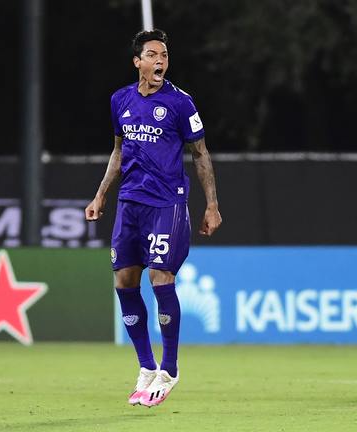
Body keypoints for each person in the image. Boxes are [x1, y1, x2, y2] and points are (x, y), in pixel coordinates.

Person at [85, 28, 222, 408]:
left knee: (161, 278)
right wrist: (100, 196)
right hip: (130, 203)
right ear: (137, 62)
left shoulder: (180, 103)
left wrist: (211, 205)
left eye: (164, 55)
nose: (160, 60)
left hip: (167, 203)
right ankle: (146, 367)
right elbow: (118, 152)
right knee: (125, 282)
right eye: (153, 54)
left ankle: (170, 369)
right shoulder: (120, 100)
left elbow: (201, 154)